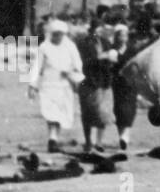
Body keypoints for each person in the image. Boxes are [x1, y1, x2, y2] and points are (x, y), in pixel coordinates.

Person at [27, 18, 83, 152]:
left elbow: (78, 64)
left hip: (65, 85)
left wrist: (71, 73)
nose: (58, 37)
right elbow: (36, 67)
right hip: (49, 84)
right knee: (50, 113)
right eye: (55, 34)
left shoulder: (70, 46)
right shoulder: (44, 47)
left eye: (60, 34)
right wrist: (32, 85)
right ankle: (52, 138)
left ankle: (54, 137)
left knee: (61, 113)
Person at [77, 19, 113, 152]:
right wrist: (100, 58)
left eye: (99, 29)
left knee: (103, 113)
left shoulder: (106, 42)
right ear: (91, 30)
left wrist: (109, 59)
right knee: (87, 112)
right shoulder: (83, 43)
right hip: (89, 81)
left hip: (104, 81)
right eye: (95, 29)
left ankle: (99, 142)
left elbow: (111, 60)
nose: (97, 32)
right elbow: (82, 61)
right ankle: (88, 141)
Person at [108, 11, 137, 151]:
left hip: (130, 84)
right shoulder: (112, 50)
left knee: (130, 109)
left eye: (124, 35)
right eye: (119, 35)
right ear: (116, 37)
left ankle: (126, 135)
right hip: (117, 84)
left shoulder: (132, 50)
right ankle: (122, 137)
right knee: (119, 110)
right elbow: (109, 66)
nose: (122, 37)